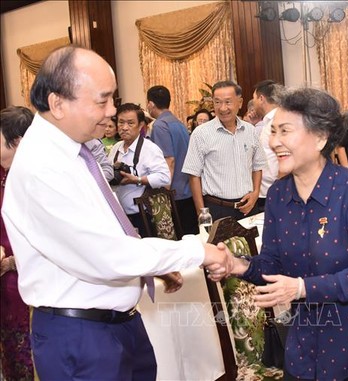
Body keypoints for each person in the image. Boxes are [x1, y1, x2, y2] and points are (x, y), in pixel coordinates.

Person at [1, 46, 230, 381]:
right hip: (81, 336)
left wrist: (147, 267)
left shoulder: (74, 152)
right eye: (102, 100)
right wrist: (197, 251)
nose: (111, 111)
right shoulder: (42, 167)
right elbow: (103, 255)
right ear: (57, 103)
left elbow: (106, 227)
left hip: (114, 324)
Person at [211, 87, 348, 380]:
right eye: (273, 131)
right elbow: (273, 265)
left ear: (320, 138)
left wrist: (302, 288)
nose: (274, 141)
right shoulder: (279, 194)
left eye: (285, 131)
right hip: (307, 338)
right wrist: (237, 265)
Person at [182, 80, 267, 220]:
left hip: (248, 206)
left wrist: (256, 193)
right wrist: (201, 213)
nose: (222, 108)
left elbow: (257, 166)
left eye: (228, 102)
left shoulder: (250, 131)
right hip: (217, 209)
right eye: (217, 102)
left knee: (252, 243)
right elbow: (193, 175)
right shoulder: (201, 134)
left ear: (239, 103)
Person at [0, 106, 34, 381]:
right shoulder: (3, 175)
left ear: (18, 142)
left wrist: (12, 262)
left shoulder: (36, 180)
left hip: (28, 284)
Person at [109, 102, 171, 237]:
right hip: (120, 216)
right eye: (121, 122)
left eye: (130, 123)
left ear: (141, 125)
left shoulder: (150, 149)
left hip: (143, 216)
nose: (124, 128)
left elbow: (164, 177)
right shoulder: (116, 148)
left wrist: (137, 180)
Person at [147, 85, 199, 236]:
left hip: (174, 193)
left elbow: (169, 160)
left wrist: (164, 194)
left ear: (150, 104)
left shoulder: (160, 125)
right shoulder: (178, 123)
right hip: (188, 189)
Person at [252, 79, 284, 212]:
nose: (253, 103)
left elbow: (284, 155)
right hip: (266, 192)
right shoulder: (267, 122)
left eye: (253, 98)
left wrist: (280, 188)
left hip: (275, 192)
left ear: (261, 98)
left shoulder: (277, 122)